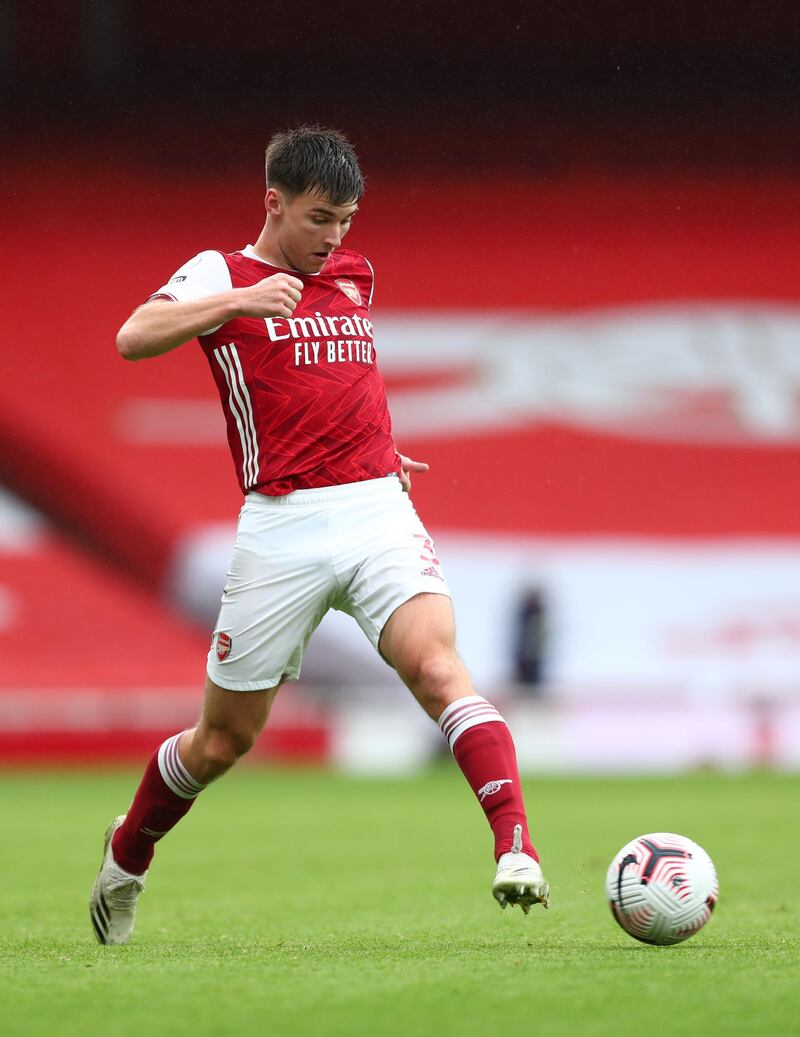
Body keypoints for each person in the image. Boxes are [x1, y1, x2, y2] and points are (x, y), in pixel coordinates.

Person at [90, 126, 549, 945]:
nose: (334, 236)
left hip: (375, 508)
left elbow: (342, 374)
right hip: (282, 527)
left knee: (441, 668)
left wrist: (378, 448)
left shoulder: (354, 274)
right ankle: (128, 853)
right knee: (224, 740)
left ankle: (516, 846)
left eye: (345, 219)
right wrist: (235, 303)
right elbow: (131, 340)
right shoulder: (218, 274)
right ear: (273, 201)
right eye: (318, 217)